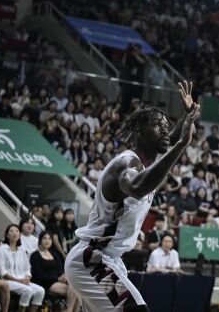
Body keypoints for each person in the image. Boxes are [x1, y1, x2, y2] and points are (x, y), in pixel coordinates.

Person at [65, 81, 200, 311]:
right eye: (157, 125)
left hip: (110, 259)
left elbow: (169, 139)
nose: (165, 130)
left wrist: (187, 116)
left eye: (166, 126)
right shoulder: (127, 164)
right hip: (92, 259)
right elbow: (138, 187)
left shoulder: (146, 162)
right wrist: (181, 146)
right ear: (139, 131)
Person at [0, 224, 45, 311]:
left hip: (22, 281)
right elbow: (1, 271)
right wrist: (18, 281)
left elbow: (27, 268)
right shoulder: (1, 249)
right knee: (28, 290)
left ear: (19, 235)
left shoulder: (21, 250)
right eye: (11, 231)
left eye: (17, 231)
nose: (14, 233)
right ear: (7, 235)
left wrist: (27, 278)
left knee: (41, 291)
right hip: (7, 281)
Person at [30, 231, 80, 312]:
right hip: (45, 283)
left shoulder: (54, 253)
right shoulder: (35, 255)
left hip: (58, 281)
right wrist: (57, 279)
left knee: (77, 288)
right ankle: (68, 310)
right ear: (40, 240)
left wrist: (64, 276)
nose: (47, 241)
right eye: (44, 238)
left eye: (49, 239)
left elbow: (60, 269)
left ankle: (70, 310)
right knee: (76, 290)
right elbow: (38, 274)